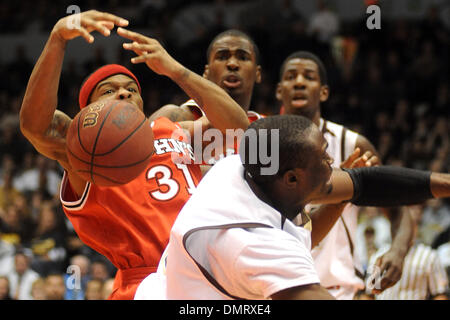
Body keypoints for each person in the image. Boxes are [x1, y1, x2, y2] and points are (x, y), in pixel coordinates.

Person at [19, 10, 249, 300]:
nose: (125, 93)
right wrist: (57, 39)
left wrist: (175, 70)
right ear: (88, 113)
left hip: (214, 269)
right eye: (109, 91)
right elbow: (34, 126)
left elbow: (239, 128)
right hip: (149, 280)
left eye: (131, 89)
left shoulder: (171, 126)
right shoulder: (82, 149)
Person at [135, 115, 450, 300]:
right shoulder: (256, 245)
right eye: (324, 158)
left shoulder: (238, 167)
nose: (332, 163)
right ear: (292, 179)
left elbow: (364, 183)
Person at [276, 51, 414, 299]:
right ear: (278, 90)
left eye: (308, 76)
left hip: (339, 290)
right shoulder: (262, 146)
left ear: (324, 92)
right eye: (290, 76)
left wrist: (398, 251)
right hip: (276, 290)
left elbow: (398, 211)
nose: (298, 82)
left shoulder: (353, 145)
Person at [367, 205, 449, 300]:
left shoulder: (429, 255)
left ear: (416, 227)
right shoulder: (376, 256)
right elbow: (369, 294)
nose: (404, 230)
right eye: (398, 225)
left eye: (408, 225)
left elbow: (439, 294)